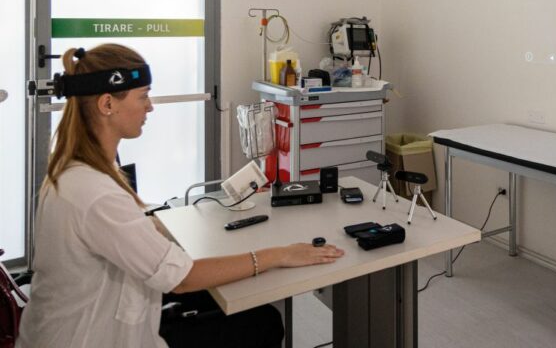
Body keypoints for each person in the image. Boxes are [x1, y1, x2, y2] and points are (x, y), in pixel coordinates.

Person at [17, 44, 344, 348]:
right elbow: (183, 279)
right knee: (263, 323)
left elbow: (130, 233)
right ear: (107, 104)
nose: (150, 106)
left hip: (95, 318)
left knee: (238, 301)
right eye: (143, 96)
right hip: (85, 337)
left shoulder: (79, 168)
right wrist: (279, 254)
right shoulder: (93, 192)